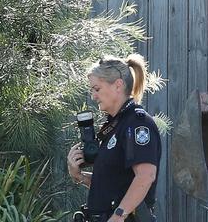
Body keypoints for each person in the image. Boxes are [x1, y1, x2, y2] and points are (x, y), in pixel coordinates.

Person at [67, 54, 160, 222]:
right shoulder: (114, 126)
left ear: (118, 85)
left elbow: (146, 176)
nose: (93, 96)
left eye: (97, 89)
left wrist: (118, 216)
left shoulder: (137, 124)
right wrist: (79, 176)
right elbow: (112, 186)